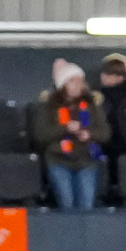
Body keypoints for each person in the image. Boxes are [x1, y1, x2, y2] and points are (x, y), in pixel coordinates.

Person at [30, 59, 108, 211]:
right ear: (63, 84)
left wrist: (89, 134)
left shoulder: (91, 105)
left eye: (80, 80)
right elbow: (41, 134)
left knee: (86, 205)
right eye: (73, 80)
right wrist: (65, 128)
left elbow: (105, 132)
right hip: (59, 161)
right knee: (67, 204)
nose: (78, 84)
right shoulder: (49, 106)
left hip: (86, 160)